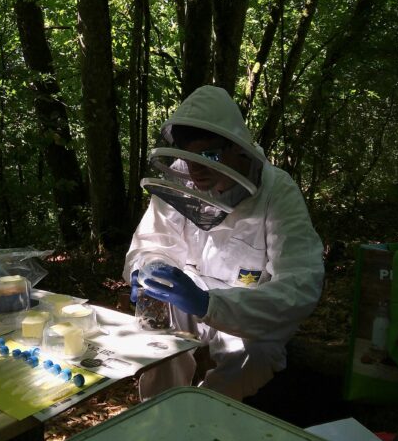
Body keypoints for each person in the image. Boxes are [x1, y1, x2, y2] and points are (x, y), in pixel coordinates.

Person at [123, 85, 324, 401]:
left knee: (251, 359)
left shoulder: (278, 192)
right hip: (190, 289)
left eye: (209, 156)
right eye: (190, 158)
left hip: (249, 306)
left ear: (238, 149)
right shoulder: (180, 177)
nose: (196, 170)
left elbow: (300, 286)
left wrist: (212, 305)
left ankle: (210, 419)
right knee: (156, 332)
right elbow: (153, 241)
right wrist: (149, 268)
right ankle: (159, 413)